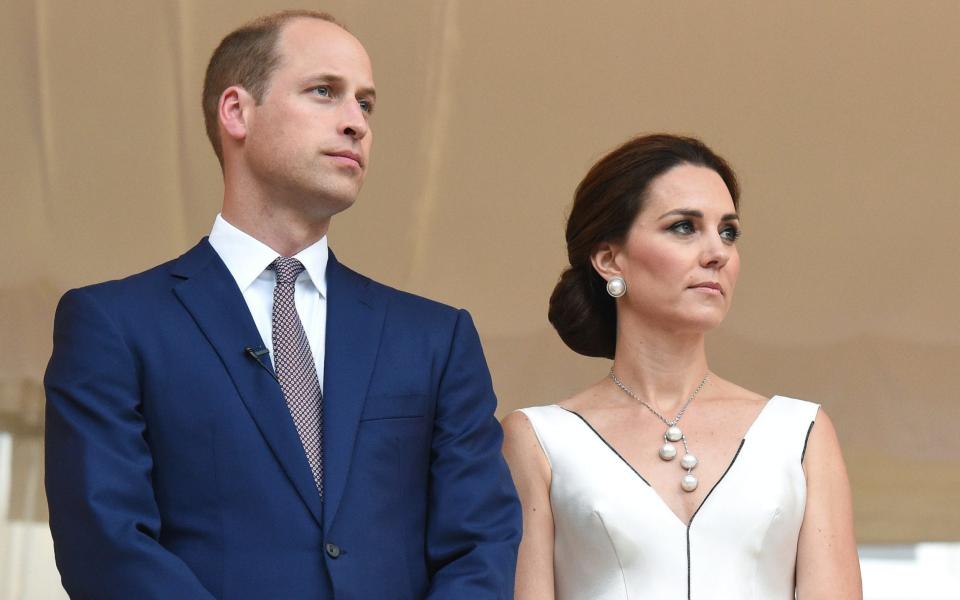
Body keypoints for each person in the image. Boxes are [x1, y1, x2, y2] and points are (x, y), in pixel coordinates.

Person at [44, 10, 520, 599]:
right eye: (325, 92)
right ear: (236, 111)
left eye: (366, 105)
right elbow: (106, 544)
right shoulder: (114, 324)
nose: (356, 124)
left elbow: (482, 543)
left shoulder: (436, 337)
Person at [502, 134, 862, 599]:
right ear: (610, 259)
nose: (718, 252)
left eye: (728, 231)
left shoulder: (802, 433)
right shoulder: (538, 439)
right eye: (684, 227)